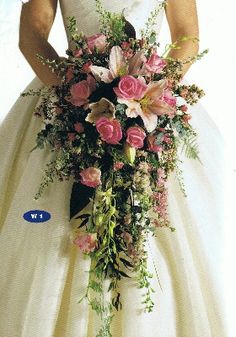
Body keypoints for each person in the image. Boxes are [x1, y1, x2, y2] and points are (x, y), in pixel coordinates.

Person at [0, 0, 227, 336]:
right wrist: (75, 94)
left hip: (148, 103)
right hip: (68, 101)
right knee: (55, 231)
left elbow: (187, 36)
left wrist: (150, 87)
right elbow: (31, 35)